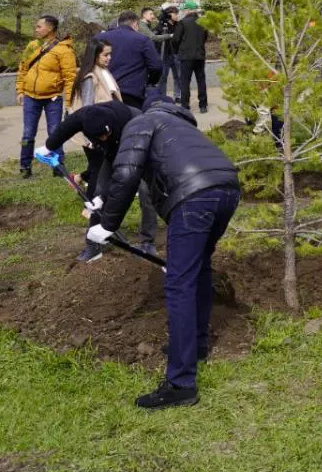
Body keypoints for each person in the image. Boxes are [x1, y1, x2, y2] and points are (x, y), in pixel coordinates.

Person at [86, 97, 240, 408]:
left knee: (179, 285)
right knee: (198, 270)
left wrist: (107, 225)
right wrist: (103, 200)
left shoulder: (138, 123)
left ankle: (181, 383)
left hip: (195, 196)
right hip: (226, 188)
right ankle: (195, 346)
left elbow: (127, 174)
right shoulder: (177, 123)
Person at [41, 96, 141, 263]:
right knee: (98, 189)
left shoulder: (128, 125)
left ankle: (148, 243)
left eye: (105, 135)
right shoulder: (84, 117)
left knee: (146, 193)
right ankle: (93, 246)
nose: (102, 139)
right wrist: (48, 147)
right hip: (113, 149)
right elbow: (65, 129)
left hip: (136, 141)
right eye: (99, 137)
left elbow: (124, 174)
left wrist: (104, 199)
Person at [16, 15, 76, 179]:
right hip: (30, 97)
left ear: (50, 28)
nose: (36, 29)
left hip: (53, 99)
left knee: (55, 133)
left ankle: (58, 166)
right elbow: (23, 69)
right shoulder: (32, 46)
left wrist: (69, 102)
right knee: (28, 133)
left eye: (39, 27)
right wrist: (20, 90)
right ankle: (25, 166)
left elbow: (70, 78)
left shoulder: (64, 50)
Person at [94, 12, 163, 110]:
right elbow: (156, 66)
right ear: (136, 24)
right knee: (132, 123)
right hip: (132, 92)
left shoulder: (99, 38)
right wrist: (150, 82)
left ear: (119, 23)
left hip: (103, 91)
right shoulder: (142, 40)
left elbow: (89, 62)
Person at [172, 0, 210, 114]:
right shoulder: (203, 22)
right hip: (199, 55)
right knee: (201, 80)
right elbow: (205, 37)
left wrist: (177, 51)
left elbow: (176, 39)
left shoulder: (183, 23)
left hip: (186, 56)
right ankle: (203, 106)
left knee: (185, 81)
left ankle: (185, 106)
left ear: (188, 10)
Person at [154, 3, 181, 96]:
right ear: (169, 15)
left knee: (178, 76)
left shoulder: (179, 25)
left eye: (177, 14)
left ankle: (178, 95)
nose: (177, 15)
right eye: (175, 14)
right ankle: (162, 96)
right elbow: (155, 39)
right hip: (164, 56)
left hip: (176, 54)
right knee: (163, 77)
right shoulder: (161, 26)